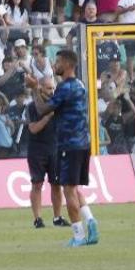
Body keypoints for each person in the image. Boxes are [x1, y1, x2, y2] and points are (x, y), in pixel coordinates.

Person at [29, 49, 99, 247]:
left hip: (69, 144)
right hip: (83, 143)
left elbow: (43, 109)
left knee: (68, 190)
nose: (54, 65)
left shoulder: (65, 87)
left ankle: (78, 236)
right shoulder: (79, 85)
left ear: (68, 64)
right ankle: (91, 222)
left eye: (58, 61)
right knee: (74, 188)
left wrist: (35, 89)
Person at [24, 76, 66, 229]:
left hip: (55, 149)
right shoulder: (31, 107)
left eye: (53, 88)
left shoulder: (56, 105)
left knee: (56, 185)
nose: (52, 91)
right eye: (49, 88)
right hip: (37, 150)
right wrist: (48, 117)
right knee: (37, 184)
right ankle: (38, 219)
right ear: (40, 88)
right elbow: (33, 129)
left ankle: (57, 217)